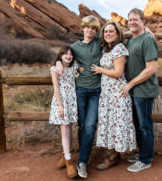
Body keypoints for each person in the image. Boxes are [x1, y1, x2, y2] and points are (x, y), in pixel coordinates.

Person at [56, 15, 102, 179]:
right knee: (82, 126)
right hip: (80, 90)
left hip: (97, 90)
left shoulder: (99, 42)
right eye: (87, 27)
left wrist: (146, 30)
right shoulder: (75, 47)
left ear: (96, 30)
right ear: (83, 28)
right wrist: (58, 64)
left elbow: (118, 36)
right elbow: (64, 57)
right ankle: (69, 154)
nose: (90, 30)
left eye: (93, 28)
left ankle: (82, 162)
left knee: (90, 126)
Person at [91, 21, 136, 170]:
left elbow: (118, 73)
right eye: (105, 31)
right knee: (109, 124)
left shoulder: (119, 49)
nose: (108, 34)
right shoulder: (106, 50)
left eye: (111, 31)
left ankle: (111, 157)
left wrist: (101, 70)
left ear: (117, 34)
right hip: (107, 94)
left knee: (115, 125)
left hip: (117, 94)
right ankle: (114, 156)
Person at [121, 8, 159, 173]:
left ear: (143, 21)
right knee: (137, 124)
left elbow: (151, 69)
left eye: (136, 19)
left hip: (144, 90)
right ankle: (143, 153)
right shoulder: (131, 40)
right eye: (130, 20)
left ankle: (145, 160)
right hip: (135, 92)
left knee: (144, 126)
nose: (132, 22)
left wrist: (130, 84)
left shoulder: (147, 39)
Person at [49, 46, 79, 178]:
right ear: (60, 55)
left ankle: (65, 154)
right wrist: (60, 106)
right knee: (64, 129)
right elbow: (56, 88)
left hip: (72, 100)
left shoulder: (74, 67)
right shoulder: (55, 69)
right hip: (61, 101)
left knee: (70, 128)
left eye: (70, 54)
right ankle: (68, 161)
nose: (68, 56)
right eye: (65, 54)